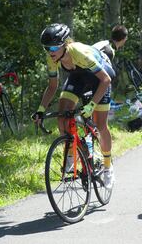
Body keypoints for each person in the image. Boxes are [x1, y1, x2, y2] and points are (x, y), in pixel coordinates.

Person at [32, 23, 116, 189]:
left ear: (65, 44)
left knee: (100, 124)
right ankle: (71, 152)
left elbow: (106, 79)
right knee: (63, 113)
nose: (50, 52)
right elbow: (52, 86)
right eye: (47, 48)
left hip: (100, 78)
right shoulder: (52, 57)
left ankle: (107, 167)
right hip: (78, 77)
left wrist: (92, 105)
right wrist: (41, 110)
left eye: (54, 47)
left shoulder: (78, 52)